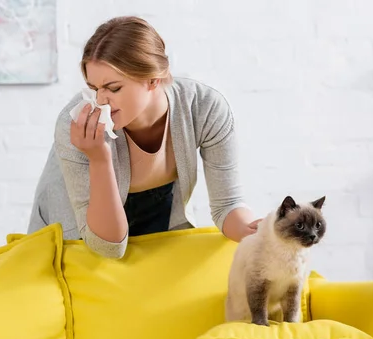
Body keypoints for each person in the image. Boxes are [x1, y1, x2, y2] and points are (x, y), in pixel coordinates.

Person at [27, 16, 260, 259]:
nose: (100, 101)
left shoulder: (204, 108)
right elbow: (107, 247)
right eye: (94, 89)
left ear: (153, 79)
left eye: (113, 88)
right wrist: (99, 158)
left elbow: (227, 206)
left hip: (157, 220)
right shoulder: (75, 124)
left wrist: (253, 231)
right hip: (78, 241)